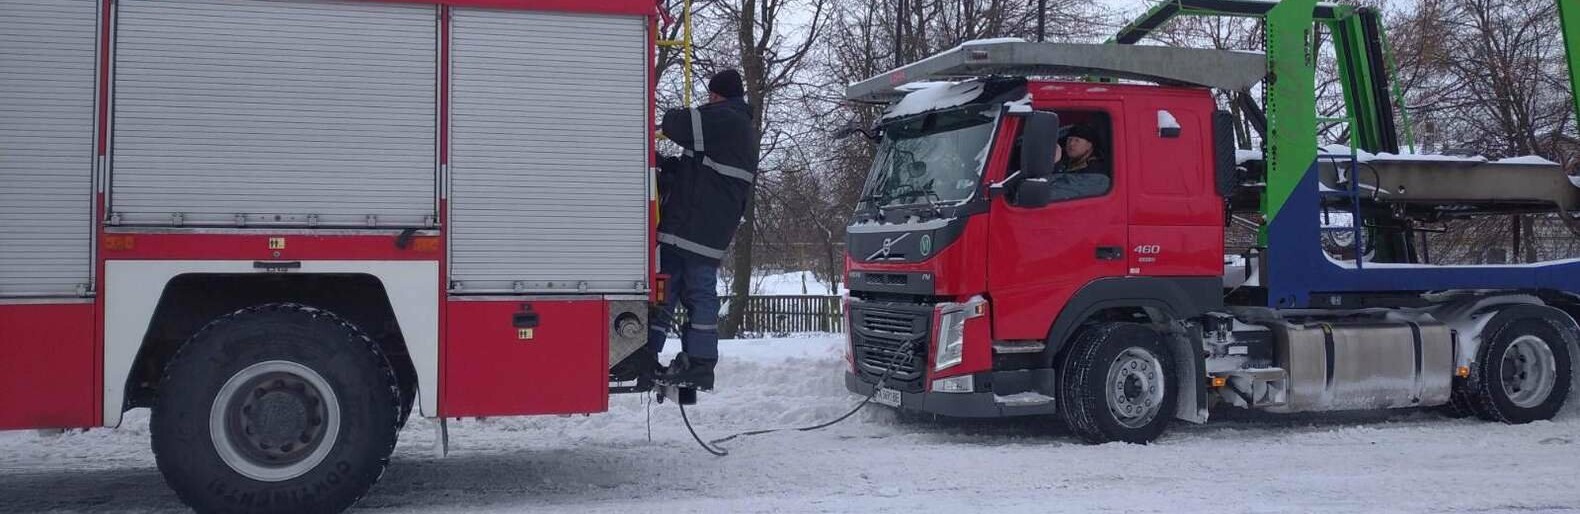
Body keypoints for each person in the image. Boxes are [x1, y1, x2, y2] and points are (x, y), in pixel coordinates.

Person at [637, 69, 759, 391]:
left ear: (719, 96)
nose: (709, 102)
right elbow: (704, 173)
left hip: (697, 230)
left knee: (697, 293)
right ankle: (648, 353)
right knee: (667, 290)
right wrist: (669, 166)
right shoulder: (731, 128)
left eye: (711, 97)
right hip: (695, 229)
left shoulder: (728, 120)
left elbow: (677, 123)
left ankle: (700, 363)